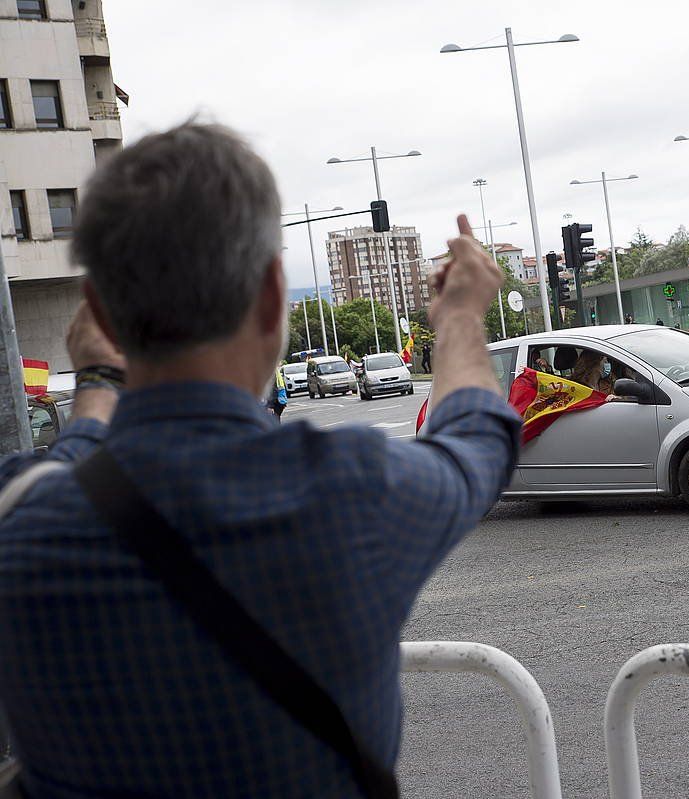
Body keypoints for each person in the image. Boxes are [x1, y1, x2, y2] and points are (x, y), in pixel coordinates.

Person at [0, 122, 520, 798]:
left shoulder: (21, 523)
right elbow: (478, 437)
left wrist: (98, 384)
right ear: (275, 293)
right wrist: (457, 314)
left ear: (98, 308)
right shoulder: (355, 490)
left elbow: (61, 468)